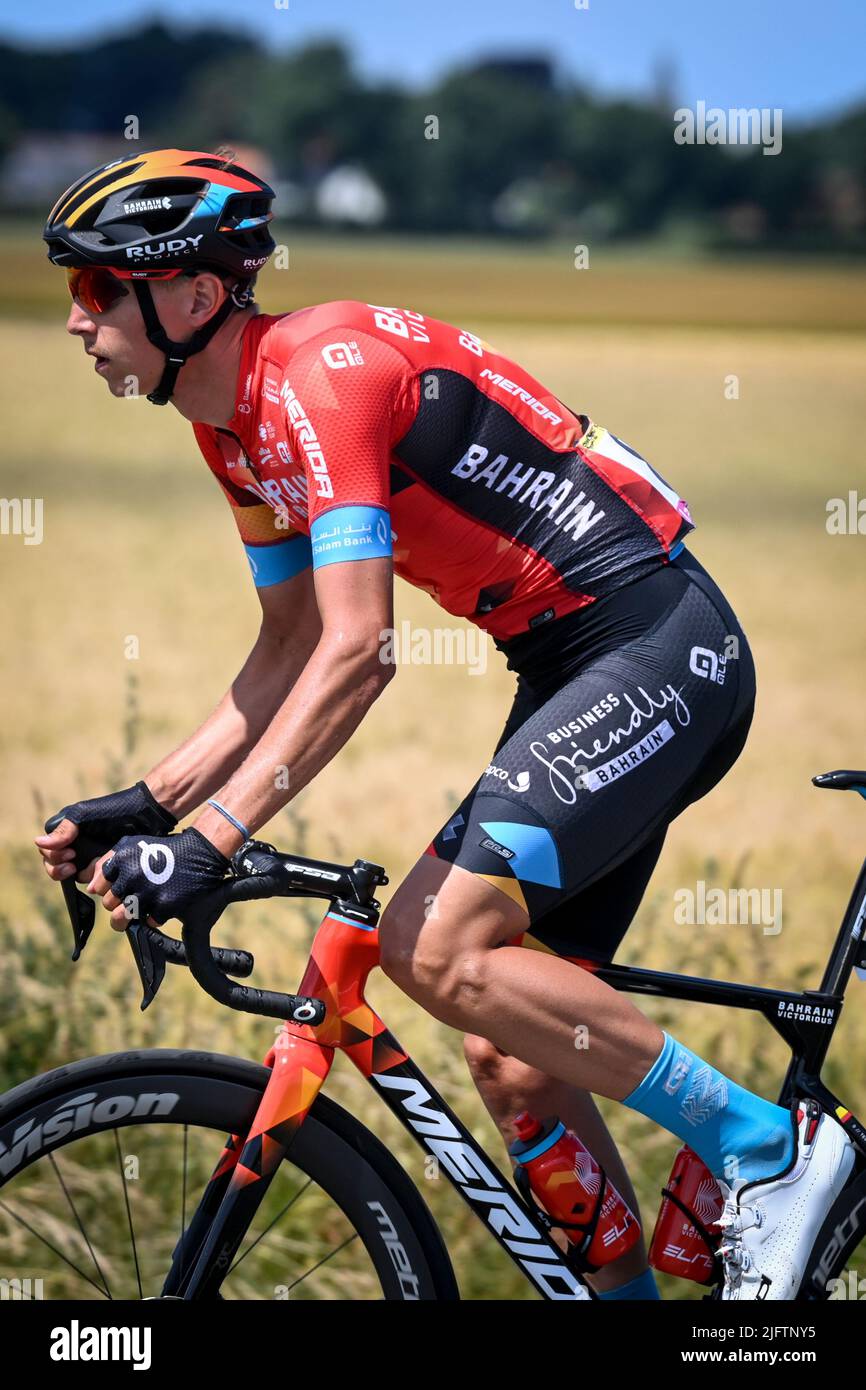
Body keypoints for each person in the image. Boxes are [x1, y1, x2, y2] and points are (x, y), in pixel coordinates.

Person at [35, 148, 855, 1301]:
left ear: (190, 293)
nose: (75, 321)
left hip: (655, 643)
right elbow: (285, 645)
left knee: (433, 942)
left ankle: (771, 1152)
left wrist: (212, 838)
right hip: (574, 661)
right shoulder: (229, 426)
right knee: (515, 1059)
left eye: (92, 288)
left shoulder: (318, 377)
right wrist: (150, 803)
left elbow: (358, 649)